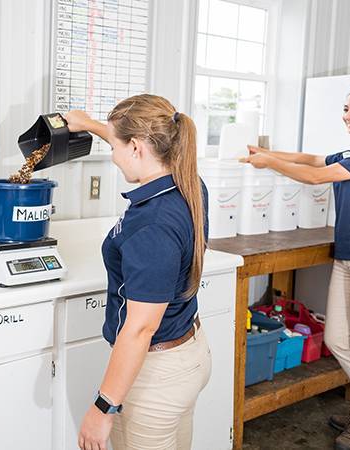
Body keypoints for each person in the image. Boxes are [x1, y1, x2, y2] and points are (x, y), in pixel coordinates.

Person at [241, 84, 350, 450]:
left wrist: (270, 164)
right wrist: (269, 152)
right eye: (346, 108)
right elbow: (315, 161)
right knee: (336, 338)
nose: (349, 115)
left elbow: (319, 177)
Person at [65, 94, 210, 450]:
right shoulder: (190, 184)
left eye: (115, 145)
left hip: (155, 376)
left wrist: (103, 407)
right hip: (189, 353)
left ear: (135, 148)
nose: (112, 155)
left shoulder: (152, 225)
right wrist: (89, 124)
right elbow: (133, 137)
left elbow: (140, 328)